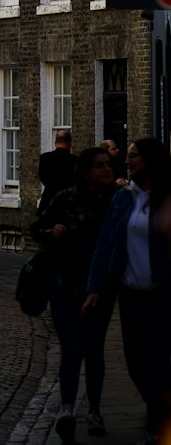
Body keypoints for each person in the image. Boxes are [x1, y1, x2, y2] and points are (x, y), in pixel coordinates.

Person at [84, 137, 171, 444]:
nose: (127, 161)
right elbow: (105, 243)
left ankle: (157, 420)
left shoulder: (165, 197)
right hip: (131, 293)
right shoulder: (123, 197)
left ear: (149, 160)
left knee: (160, 359)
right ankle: (156, 408)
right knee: (135, 362)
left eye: (133, 156)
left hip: (162, 293)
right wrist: (94, 287)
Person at [31, 147, 117, 441]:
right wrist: (51, 230)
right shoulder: (65, 199)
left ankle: (94, 409)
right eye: (99, 166)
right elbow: (36, 228)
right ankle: (67, 409)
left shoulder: (114, 202)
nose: (106, 170)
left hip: (100, 290)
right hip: (65, 287)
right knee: (71, 350)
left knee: (94, 351)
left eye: (108, 165)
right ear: (85, 170)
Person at [38, 130, 77, 211]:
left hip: (48, 200)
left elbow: (42, 177)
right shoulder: (75, 160)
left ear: (55, 143)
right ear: (70, 143)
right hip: (68, 202)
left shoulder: (45, 157)